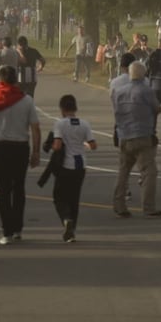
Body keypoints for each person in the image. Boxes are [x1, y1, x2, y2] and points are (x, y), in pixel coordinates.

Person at [0, 66, 42, 245]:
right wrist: (36, 151)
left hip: (0, 147)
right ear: (16, 79)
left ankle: (7, 231)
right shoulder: (26, 100)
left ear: (0, 80)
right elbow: (35, 127)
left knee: (3, 191)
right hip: (20, 147)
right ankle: (18, 228)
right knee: (19, 188)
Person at [109, 61, 161, 218]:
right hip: (142, 134)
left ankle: (119, 204)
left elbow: (115, 110)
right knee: (149, 172)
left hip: (124, 134)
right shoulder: (145, 90)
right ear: (143, 74)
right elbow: (157, 108)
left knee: (123, 171)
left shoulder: (118, 91)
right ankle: (148, 206)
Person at [50, 94, 97, 243]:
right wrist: (82, 144)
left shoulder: (60, 124)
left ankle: (66, 218)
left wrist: (51, 146)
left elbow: (57, 145)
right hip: (80, 164)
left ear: (62, 109)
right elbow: (93, 145)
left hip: (66, 165)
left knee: (59, 196)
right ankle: (72, 231)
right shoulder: (84, 124)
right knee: (74, 198)